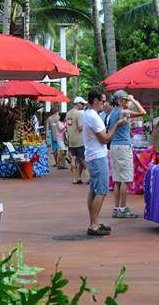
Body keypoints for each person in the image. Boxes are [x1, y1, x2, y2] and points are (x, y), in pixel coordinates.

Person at [82, 89, 126, 235]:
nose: (104, 104)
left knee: (94, 189)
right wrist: (117, 126)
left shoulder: (87, 114)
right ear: (95, 101)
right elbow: (105, 139)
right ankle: (94, 224)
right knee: (101, 190)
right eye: (102, 101)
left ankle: (93, 221)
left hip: (92, 155)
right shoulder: (93, 117)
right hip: (97, 156)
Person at [109, 90, 146, 218]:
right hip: (123, 147)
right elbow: (142, 112)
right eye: (124, 99)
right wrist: (134, 99)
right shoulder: (123, 111)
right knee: (125, 179)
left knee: (118, 180)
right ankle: (123, 208)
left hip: (114, 146)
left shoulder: (112, 113)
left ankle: (117, 208)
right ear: (119, 100)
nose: (127, 101)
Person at [66, 96, 86, 184]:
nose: (83, 105)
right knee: (83, 159)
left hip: (71, 139)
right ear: (78, 104)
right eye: (82, 104)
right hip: (79, 139)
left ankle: (75, 178)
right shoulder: (78, 114)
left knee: (73, 159)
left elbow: (68, 125)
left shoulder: (68, 113)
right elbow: (80, 127)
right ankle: (89, 176)